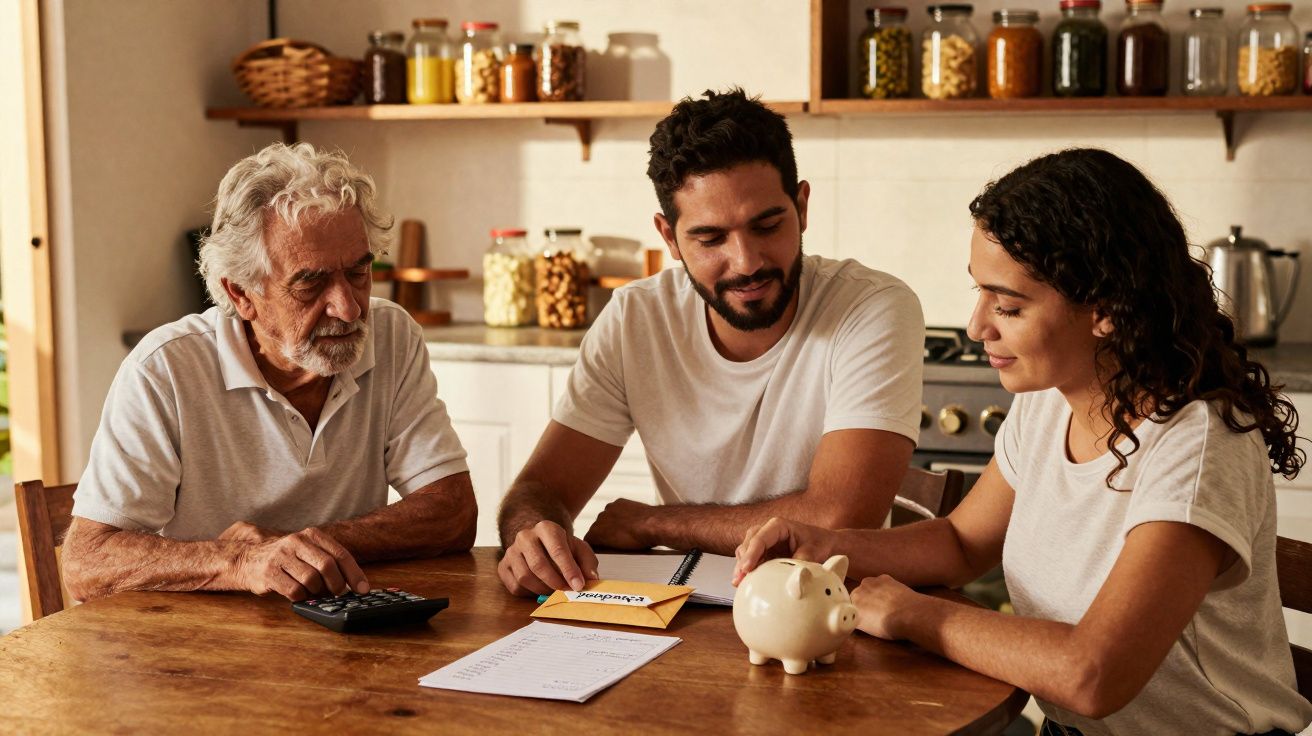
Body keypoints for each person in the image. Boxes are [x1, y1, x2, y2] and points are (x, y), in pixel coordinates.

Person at [735, 148, 1312, 736]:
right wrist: (819, 543)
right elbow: (962, 543)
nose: (976, 326)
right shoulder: (1047, 402)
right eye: (980, 293)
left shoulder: (1196, 445)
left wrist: (915, 615)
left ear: (1106, 309)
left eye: (1007, 305)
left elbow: (1094, 675)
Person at [497, 89, 925, 597]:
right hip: (686, 610)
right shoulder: (637, 317)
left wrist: (654, 524)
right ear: (670, 238)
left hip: (828, 612)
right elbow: (540, 490)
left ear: (803, 206)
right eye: (710, 239)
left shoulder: (871, 307)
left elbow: (837, 517)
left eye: (767, 225)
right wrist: (531, 535)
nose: (746, 261)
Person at [63, 143, 477, 602]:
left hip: (350, 628)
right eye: (311, 282)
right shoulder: (165, 368)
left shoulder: (393, 334)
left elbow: (453, 513)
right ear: (240, 294)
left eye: (359, 272)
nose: (349, 307)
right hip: (206, 647)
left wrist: (295, 549)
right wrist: (239, 561)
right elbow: (86, 562)